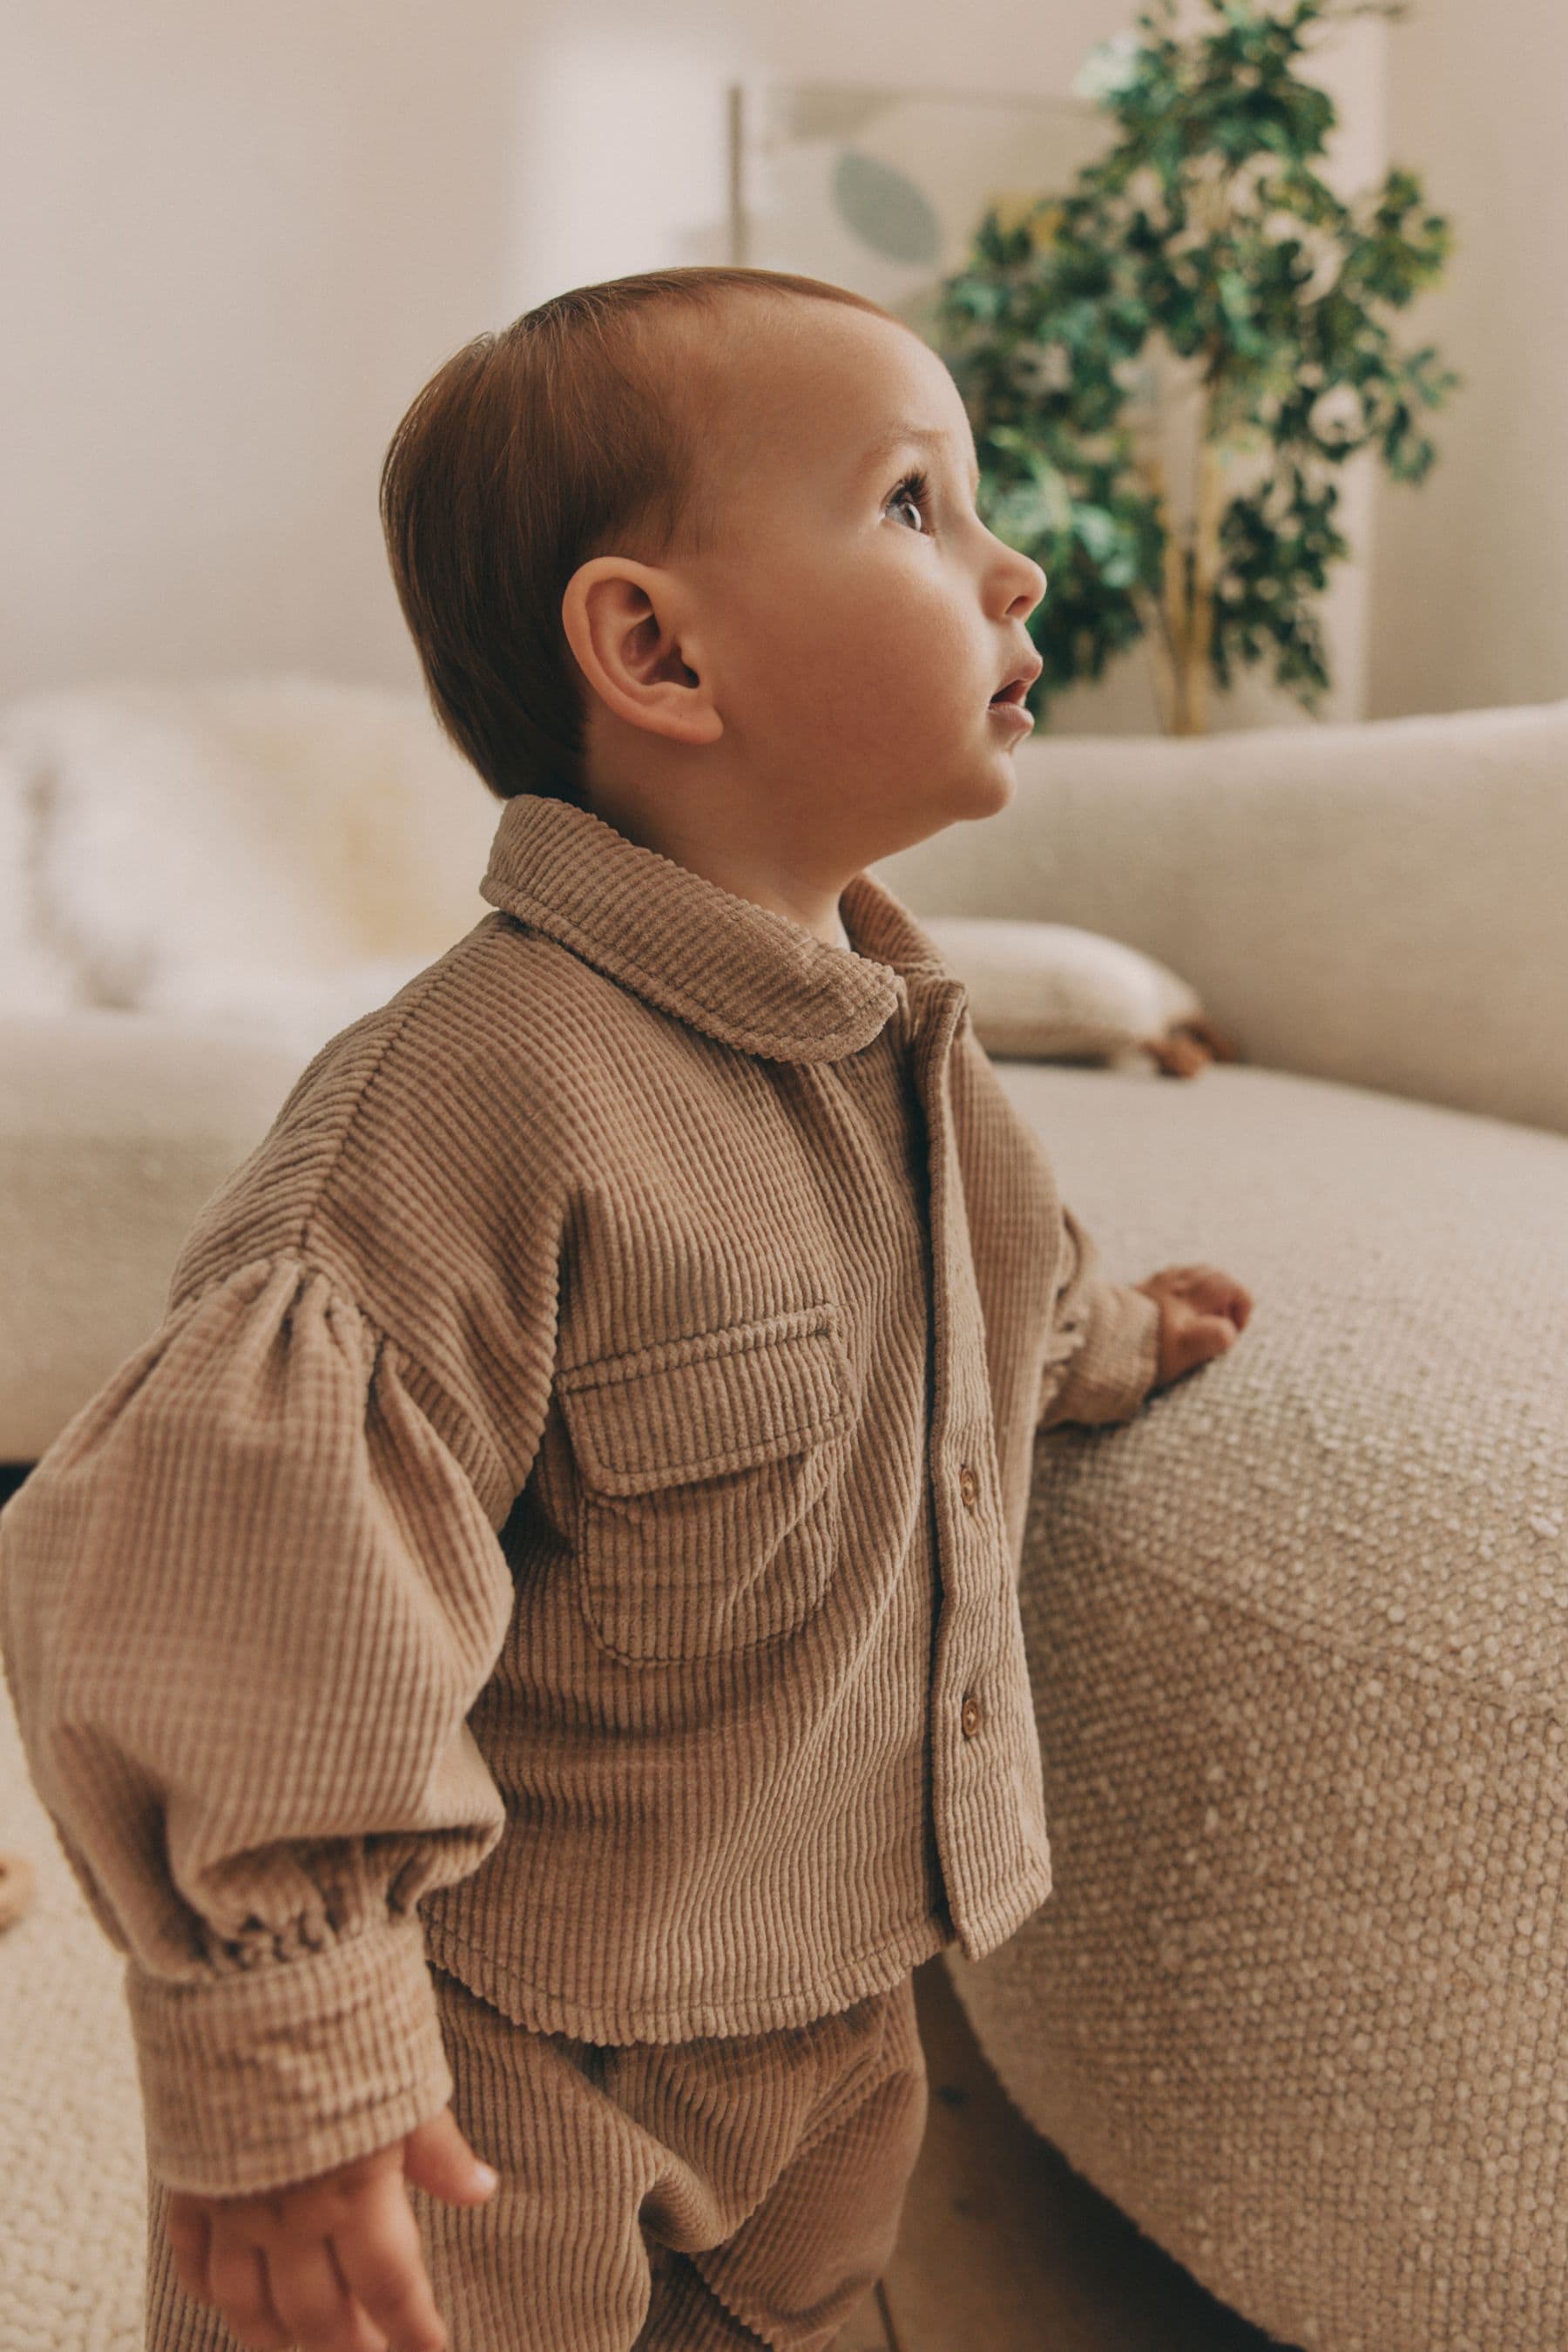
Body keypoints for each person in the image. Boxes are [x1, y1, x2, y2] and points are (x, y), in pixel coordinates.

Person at [0, 265, 1253, 2352]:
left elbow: (976, 1298)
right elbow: (239, 1576)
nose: (1015, 561)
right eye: (918, 505)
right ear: (658, 648)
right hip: (505, 2057)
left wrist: (1105, 1346)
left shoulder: (904, 1037)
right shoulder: (470, 1115)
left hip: (831, 1996)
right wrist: (291, 2052)